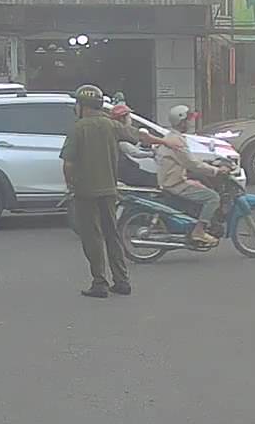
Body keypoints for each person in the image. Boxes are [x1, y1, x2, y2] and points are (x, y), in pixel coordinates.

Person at [60, 84, 158, 298]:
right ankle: (122, 281)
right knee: (112, 235)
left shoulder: (78, 128)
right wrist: (164, 140)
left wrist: (70, 185)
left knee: (93, 238)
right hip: (109, 190)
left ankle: (100, 283)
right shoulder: (111, 125)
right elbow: (139, 135)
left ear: (83, 106)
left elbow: (68, 163)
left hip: (86, 192)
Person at [155, 104, 222, 247]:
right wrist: (215, 170)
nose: (190, 123)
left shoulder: (172, 137)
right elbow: (192, 163)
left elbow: (189, 158)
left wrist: (208, 163)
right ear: (181, 122)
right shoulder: (176, 141)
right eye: (188, 120)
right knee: (213, 198)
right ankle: (199, 231)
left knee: (201, 183)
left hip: (173, 179)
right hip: (175, 184)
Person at [109, 104, 158, 188]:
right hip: (125, 171)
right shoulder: (120, 133)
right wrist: (152, 154)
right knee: (154, 179)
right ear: (122, 118)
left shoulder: (126, 131)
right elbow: (134, 152)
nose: (130, 119)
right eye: (129, 117)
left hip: (126, 168)